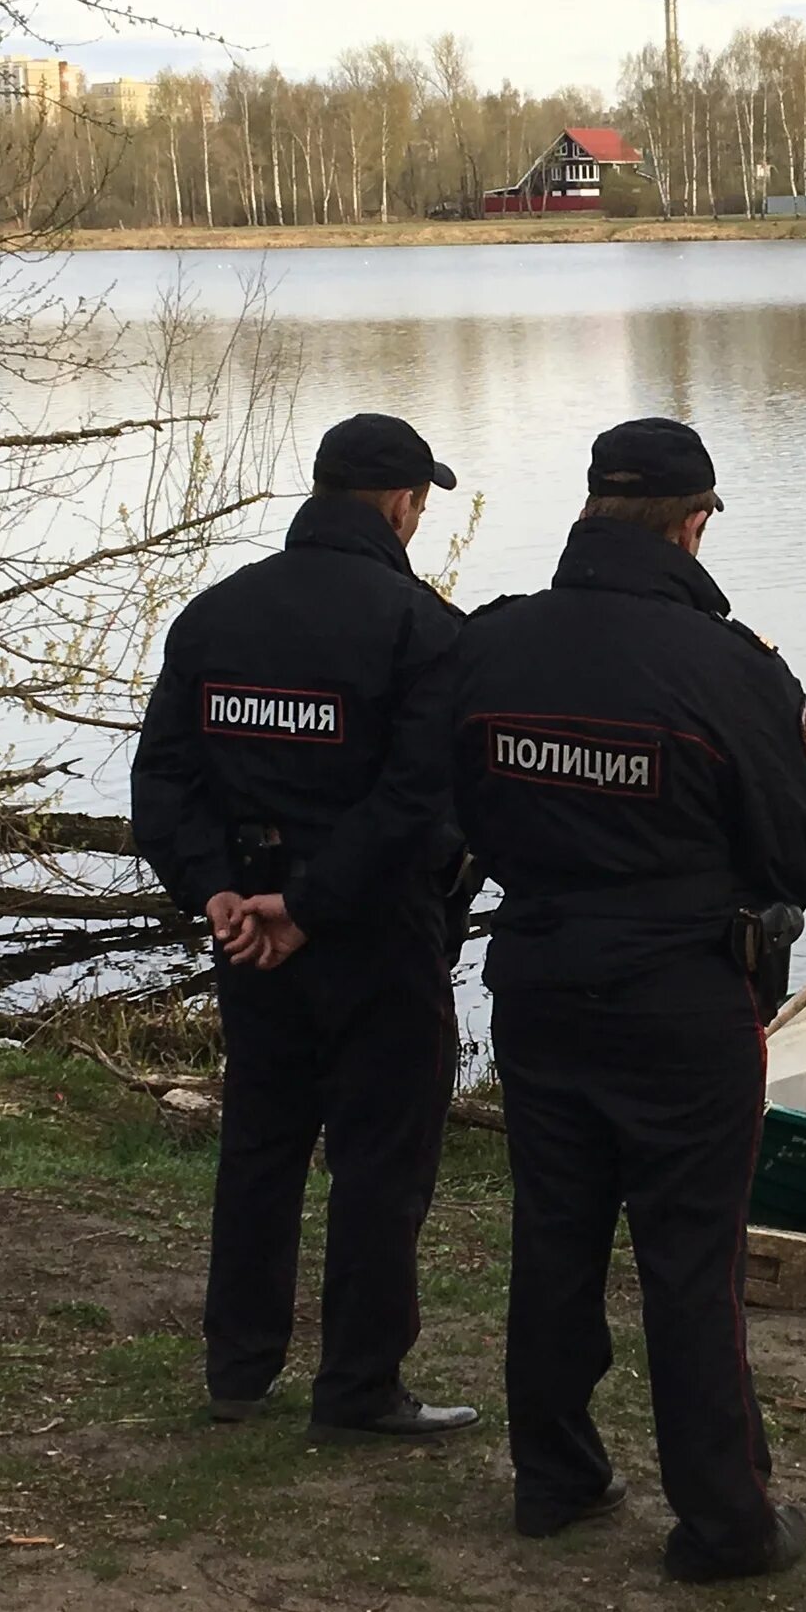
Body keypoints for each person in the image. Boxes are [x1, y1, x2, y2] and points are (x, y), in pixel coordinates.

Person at [451, 417, 806, 1584]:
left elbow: (450, 806)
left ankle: (555, 1478)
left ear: (588, 512)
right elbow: (794, 851)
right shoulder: (731, 668)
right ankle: (725, 1521)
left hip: (541, 975)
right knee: (688, 1257)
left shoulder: (491, 646)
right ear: (693, 522)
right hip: (682, 996)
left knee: (555, 1235)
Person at [131, 412, 477, 1441]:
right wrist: (312, 906)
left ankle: (237, 1367)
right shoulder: (423, 629)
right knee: (380, 1158)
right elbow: (419, 802)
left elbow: (164, 780)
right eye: (420, 501)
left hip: (248, 923)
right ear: (399, 505)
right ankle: (360, 1386)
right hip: (373, 932)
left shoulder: (215, 617)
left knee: (262, 1141)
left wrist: (219, 892)